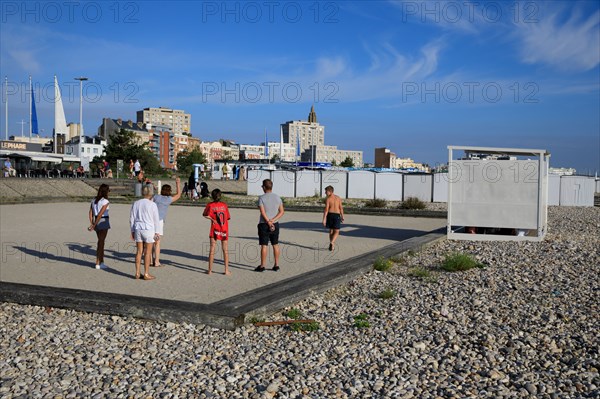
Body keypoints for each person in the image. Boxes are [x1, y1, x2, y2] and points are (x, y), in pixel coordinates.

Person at [130, 185, 161, 280]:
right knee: (147, 252)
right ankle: (146, 273)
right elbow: (156, 219)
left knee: (139, 251)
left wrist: (132, 230)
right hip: (148, 229)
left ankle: (137, 272)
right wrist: (157, 232)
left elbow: (132, 218)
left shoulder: (136, 203)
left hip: (138, 228)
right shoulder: (152, 204)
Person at [256, 179, 284, 272]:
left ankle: (262, 265)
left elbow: (262, 212)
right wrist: (273, 220)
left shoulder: (261, 198)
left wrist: (268, 221)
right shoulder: (277, 197)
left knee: (264, 245)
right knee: (275, 244)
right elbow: (281, 211)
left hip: (264, 224)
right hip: (275, 223)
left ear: (264, 187)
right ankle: (276, 265)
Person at [152, 177, 182, 267]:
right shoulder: (168, 199)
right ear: (169, 191)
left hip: (151, 220)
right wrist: (178, 183)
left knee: (150, 241)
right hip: (159, 221)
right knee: (157, 242)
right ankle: (156, 261)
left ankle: (149, 260)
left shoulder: (156, 197)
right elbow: (178, 194)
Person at [203, 189, 231, 275]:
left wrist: (211, 218)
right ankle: (226, 270)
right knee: (225, 250)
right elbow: (227, 217)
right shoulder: (224, 205)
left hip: (215, 228)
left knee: (212, 249)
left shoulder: (210, 205)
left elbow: (204, 214)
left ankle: (210, 270)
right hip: (224, 228)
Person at [88, 183, 110, 269]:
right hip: (103, 220)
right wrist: (94, 224)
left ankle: (101, 261)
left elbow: (90, 213)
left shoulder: (94, 200)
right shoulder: (105, 201)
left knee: (101, 241)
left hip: (96, 220)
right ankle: (98, 262)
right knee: (101, 242)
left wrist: (92, 223)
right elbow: (101, 214)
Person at [322, 185, 344, 251]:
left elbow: (326, 210)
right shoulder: (338, 198)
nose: (325, 193)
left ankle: (331, 243)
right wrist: (342, 216)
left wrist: (324, 219)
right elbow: (341, 208)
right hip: (337, 215)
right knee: (337, 231)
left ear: (330, 191)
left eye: (326, 191)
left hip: (330, 215)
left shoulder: (328, 199)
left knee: (331, 231)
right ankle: (332, 243)